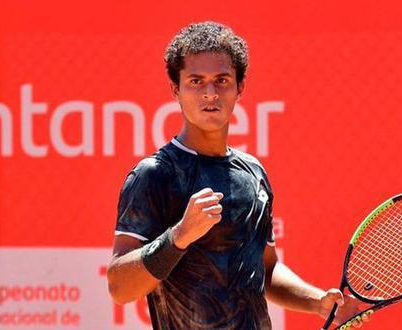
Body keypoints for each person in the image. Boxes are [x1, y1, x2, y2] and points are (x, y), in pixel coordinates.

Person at [107, 21, 368, 329]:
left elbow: (266, 269)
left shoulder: (252, 173)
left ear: (239, 87)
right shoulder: (154, 175)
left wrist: (318, 302)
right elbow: (120, 288)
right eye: (195, 81)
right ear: (175, 88)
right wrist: (180, 236)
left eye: (221, 80)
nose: (209, 93)